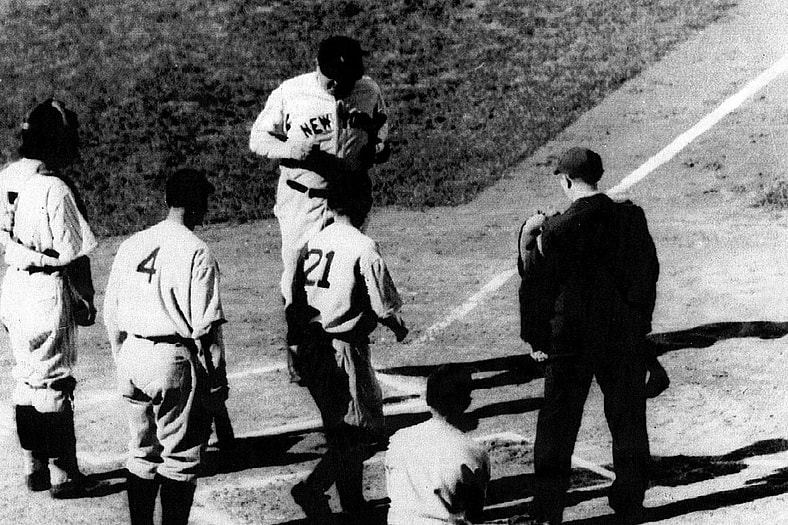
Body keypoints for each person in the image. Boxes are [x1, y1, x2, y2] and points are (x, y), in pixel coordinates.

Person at [517, 147, 661, 525]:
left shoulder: (557, 229)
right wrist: (639, 327)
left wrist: (535, 339)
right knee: (628, 420)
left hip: (570, 342)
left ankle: (548, 510)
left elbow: (535, 285)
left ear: (566, 181)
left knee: (558, 425)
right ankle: (630, 501)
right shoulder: (630, 216)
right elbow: (647, 275)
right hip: (621, 336)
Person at [249, 35, 390, 382]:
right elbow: (258, 139)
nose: (343, 86)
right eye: (337, 80)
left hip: (350, 200)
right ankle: (297, 347)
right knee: (297, 278)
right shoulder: (292, 93)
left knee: (345, 273)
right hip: (303, 200)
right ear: (321, 70)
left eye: (349, 80)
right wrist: (302, 152)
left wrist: (379, 145)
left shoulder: (367, 90)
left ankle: (348, 351)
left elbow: (381, 126)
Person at [103, 168, 228, 525]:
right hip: (170, 361)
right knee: (180, 459)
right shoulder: (197, 251)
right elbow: (206, 328)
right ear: (196, 205)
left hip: (131, 356)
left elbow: (111, 312)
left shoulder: (133, 243)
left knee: (142, 454)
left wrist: (122, 358)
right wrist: (217, 380)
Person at [285, 187, 407, 522]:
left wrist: (293, 350)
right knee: (361, 431)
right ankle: (314, 488)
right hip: (343, 350)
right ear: (365, 208)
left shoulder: (310, 243)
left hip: (310, 348)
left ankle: (352, 502)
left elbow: (292, 301)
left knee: (340, 427)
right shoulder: (363, 245)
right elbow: (384, 305)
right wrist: (398, 327)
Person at [0, 99, 98, 498]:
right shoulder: (54, 187)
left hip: (13, 288)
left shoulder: (6, 176)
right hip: (45, 291)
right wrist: (86, 299)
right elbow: (73, 255)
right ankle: (63, 473)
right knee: (55, 383)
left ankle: (34, 466)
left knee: (25, 379)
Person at [385, 365, 490, 525]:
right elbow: (475, 513)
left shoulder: (398, 440)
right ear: (466, 402)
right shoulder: (474, 452)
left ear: (428, 399)